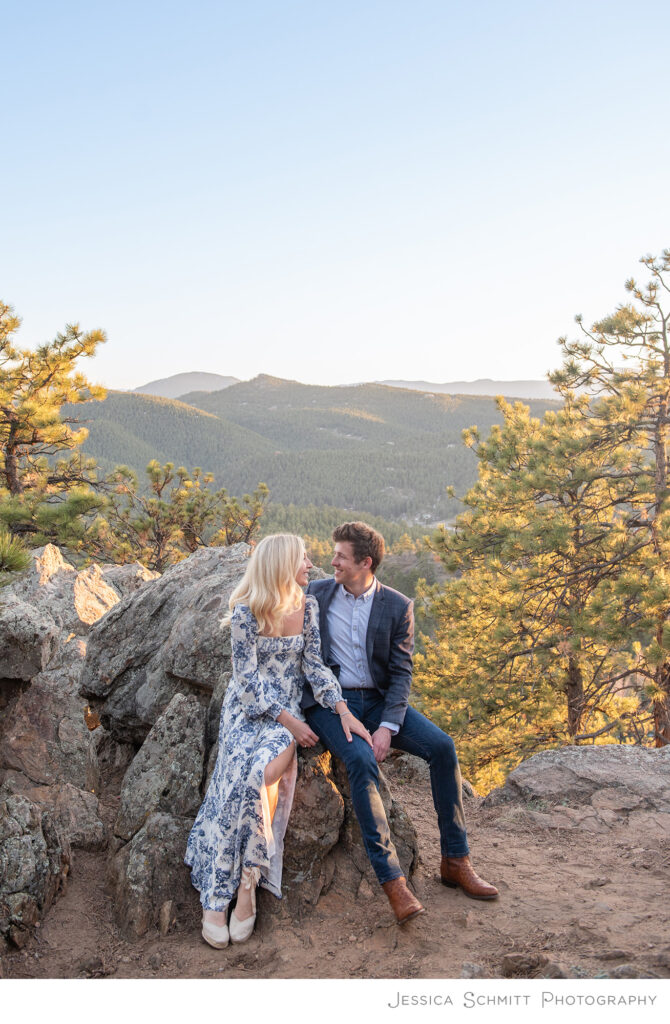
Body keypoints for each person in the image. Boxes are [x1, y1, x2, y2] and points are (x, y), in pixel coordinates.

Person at [303, 521, 498, 925]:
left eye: (340, 555)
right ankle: (393, 880)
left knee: (442, 747)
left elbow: (401, 673)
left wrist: (388, 727)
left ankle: (455, 860)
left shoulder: (397, 605)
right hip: (329, 702)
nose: (332, 561)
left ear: (365, 562)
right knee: (359, 761)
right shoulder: (315, 594)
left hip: (377, 701)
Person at [185, 533, 372, 948]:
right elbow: (246, 683)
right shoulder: (245, 613)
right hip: (252, 712)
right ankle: (216, 896)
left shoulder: (307, 607)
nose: (311, 564)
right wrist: (290, 721)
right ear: (283, 565)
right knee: (232, 778)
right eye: (304, 558)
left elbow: (314, 666)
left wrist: (341, 709)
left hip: (284, 717)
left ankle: (248, 883)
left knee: (257, 776)